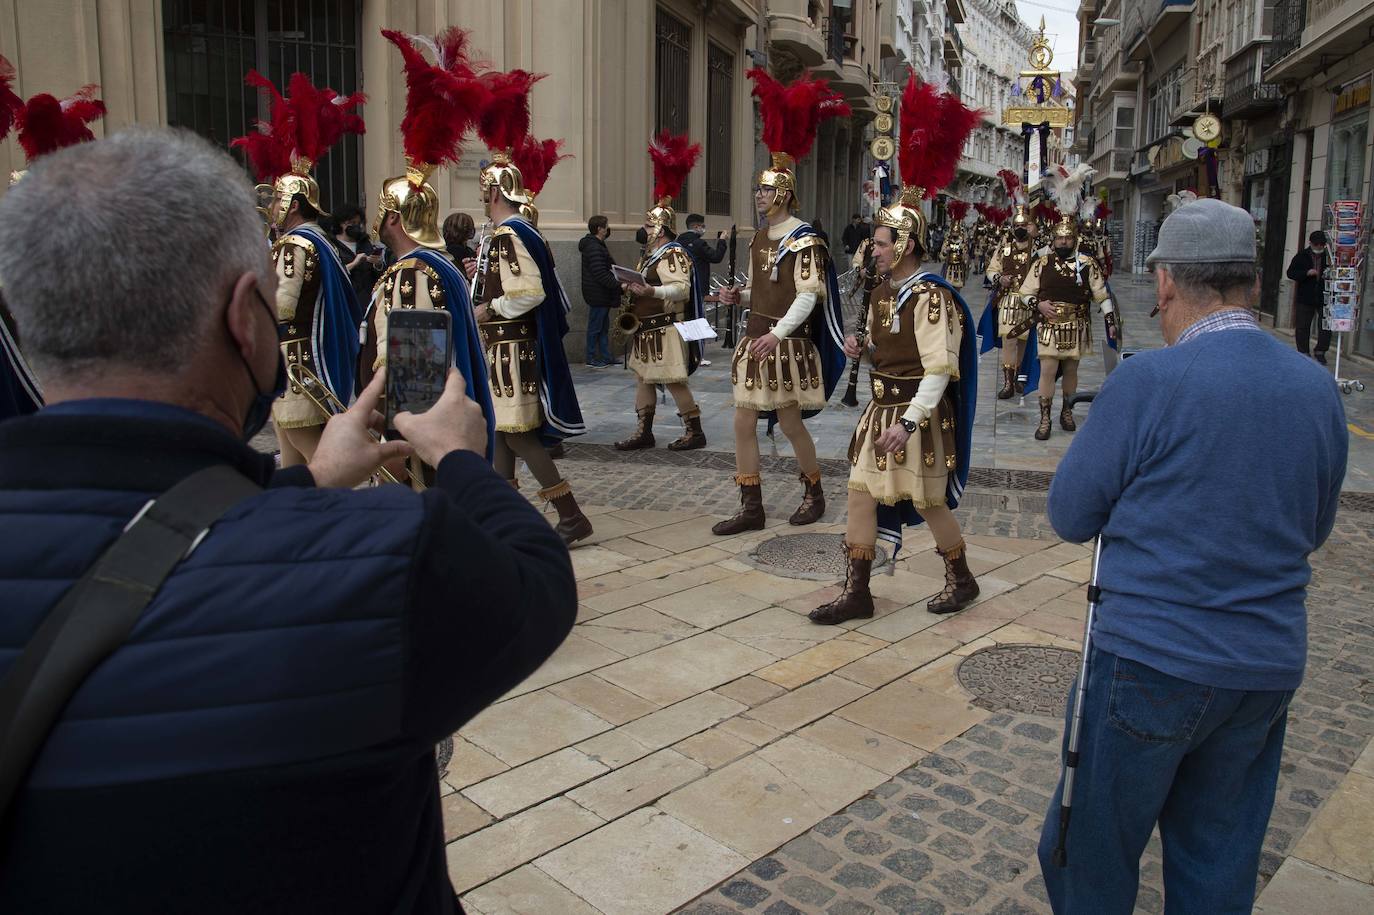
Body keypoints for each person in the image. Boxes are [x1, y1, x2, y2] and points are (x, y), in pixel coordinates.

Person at [0, 126, 576, 915]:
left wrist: (302, 480)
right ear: (245, 318)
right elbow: (537, 583)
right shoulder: (380, 563)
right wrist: (459, 460)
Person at [1037, 197, 1346, 913]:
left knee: (1089, 851)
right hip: (1262, 669)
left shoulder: (1150, 380)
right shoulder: (1316, 388)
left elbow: (1069, 512)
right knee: (1216, 863)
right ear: (1253, 284)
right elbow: (1317, 526)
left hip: (1150, 659)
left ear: (1167, 283)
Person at [812, 75, 982, 624]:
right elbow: (892, 349)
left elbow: (939, 369)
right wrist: (863, 349)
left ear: (905, 245)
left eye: (882, 242)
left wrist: (908, 423)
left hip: (916, 418)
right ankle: (857, 591)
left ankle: (962, 577)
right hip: (880, 410)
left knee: (928, 501)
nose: (873, 249)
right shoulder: (885, 293)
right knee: (860, 492)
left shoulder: (932, 299)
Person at [712, 69, 849, 535]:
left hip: (784, 344)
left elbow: (808, 296)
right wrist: (739, 296)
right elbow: (763, 289)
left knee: (790, 424)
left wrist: (777, 332)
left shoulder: (804, 239)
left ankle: (814, 490)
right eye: (759, 188)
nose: (759, 194)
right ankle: (751, 506)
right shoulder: (757, 238)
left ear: (784, 193)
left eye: (766, 189)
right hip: (757, 338)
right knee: (742, 422)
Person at [359, 29, 497, 479]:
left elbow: (408, 367)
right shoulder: (437, 264)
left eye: (381, 214)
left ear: (396, 220)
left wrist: (392, 436)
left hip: (418, 433)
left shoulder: (411, 272)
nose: (375, 224)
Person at [465, 69, 591, 545]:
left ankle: (571, 514)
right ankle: (502, 519)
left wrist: (485, 308)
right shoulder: (517, 232)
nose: (482, 196)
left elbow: (530, 293)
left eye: (484, 189)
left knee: (518, 435)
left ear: (494, 192)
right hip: (505, 351)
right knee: (499, 434)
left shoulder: (510, 233)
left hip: (511, 351)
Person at [231, 71, 365, 468]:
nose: (271, 205)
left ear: (292, 205)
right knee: (292, 456)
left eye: (277, 199)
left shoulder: (296, 243)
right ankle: (300, 515)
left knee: (317, 457)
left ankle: (343, 513)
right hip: (293, 358)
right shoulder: (314, 239)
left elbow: (282, 305)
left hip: (296, 360)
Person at [614, 132, 707, 452]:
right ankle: (644, 431)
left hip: (667, 328)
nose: (646, 229)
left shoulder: (673, 254)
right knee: (643, 378)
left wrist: (650, 289)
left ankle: (694, 431)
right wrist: (632, 287)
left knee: (673, 380)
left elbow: (681, 289)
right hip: (645, 328)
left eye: (651, 226)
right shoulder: (649, 255)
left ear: (663, 228)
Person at [1017, 182, 1115, 441]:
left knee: (1071, 371)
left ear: (1075, 238)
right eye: (1059, 238)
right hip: (1049, 325)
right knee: (1048, 370)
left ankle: (1067, 411)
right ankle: (1045, 416)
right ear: (1054, 239)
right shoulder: (1042, 263)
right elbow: (1024, 293)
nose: (1063, 241)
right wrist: (1037, 304)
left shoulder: (1087, 264)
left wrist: (1110, 318)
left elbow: (1101, 293)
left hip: (1076, 325)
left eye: (1067, 238)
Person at [978, 170, 1041, 400]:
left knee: (1024, 343)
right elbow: (992, 268)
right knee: (1009, 341)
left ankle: (1019, 379)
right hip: (1008, 300)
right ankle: (1007, 383)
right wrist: (999, 279)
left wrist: (1038, 238)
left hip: (1029, 302)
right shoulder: (1004, 247)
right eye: (1017, 226)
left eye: (1025, 226)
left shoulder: (1037, 248)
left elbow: (1046, 263)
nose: (1020, 229)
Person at [579, 214, 619, 366]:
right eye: (606, 226)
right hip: (598, 293)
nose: (608, 229)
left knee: (603, 327)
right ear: (599, 229)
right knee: (596, 327)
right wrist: (617, 284)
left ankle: (605, 356)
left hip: (601, 293)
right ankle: (591, 357)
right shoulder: (594, 246)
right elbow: (600, 272)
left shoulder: (597, 244)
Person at [1286, 229, 1331, 364]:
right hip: (1306, 297)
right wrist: (1306, 273)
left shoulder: (1328, 256)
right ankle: (1303, 352)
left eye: (1321, 245)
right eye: (1316, 244)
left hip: (1324, 297)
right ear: (1311, 243)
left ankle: (1320, 351)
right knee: (1302, 326)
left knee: (1325, 327)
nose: (1319, 247)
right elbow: (1291, 273)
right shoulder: (1302, 255)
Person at [332, 202, 385, 312]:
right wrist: (354, 263)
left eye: (358, 223)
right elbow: (333, 275)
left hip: (366, 303)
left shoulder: (365, 243)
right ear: (341, 224)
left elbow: (379, 276)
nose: (356, 226)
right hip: (344, 303)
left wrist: (378, 264)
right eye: (352, 223)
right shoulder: (332, 246)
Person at [677, 212, 728, 279]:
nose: (704, 229)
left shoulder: (679, 241)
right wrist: (722, 240)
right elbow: (716, 257)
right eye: (703, 226)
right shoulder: (699, 243)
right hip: (698, 282)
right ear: (696, 227)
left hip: (683, 280)